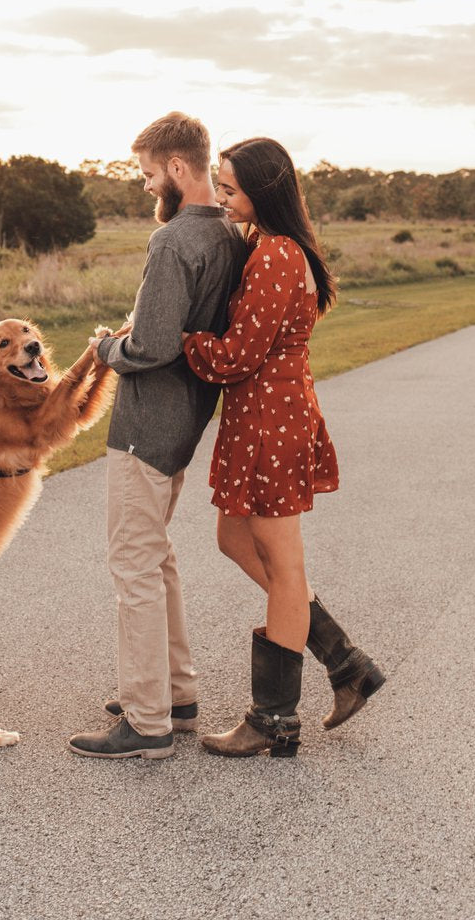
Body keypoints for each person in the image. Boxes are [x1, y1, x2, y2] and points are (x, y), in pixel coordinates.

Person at [182, 137, 384, 758]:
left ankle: (274, 718)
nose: (221, 197)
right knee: (234, 539)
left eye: (231, 189)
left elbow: (240, 354)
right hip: (261, 417)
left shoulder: (274, 255)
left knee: (284, 566)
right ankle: (343, 661)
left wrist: (181, 340)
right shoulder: (265, 246)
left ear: (263, 192)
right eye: (218, 185)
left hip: (272, 420)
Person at [68, 112, 247, 760]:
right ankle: (176, 691)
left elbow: (151, 346)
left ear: (177, 167)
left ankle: (146, 722)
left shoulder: (173, 242)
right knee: (158, 556)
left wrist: (108, 346)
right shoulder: (227, 233)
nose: (146, 187)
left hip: (148, 426)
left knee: (133, 565)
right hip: (187, 421)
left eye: (148, 174)